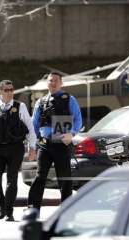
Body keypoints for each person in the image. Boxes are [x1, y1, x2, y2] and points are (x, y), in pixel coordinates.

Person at [0, 80, 37, 221]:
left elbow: (30, 129)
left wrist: (32, 147)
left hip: (15, 148)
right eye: (6, 90)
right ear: (0, 91)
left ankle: (9, 212)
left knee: (12, 180)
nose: (9, 92)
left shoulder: (20, 106)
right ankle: (2, 206)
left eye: (11, 90)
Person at [28, 72, 82, 211]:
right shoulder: (40, 102)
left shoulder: (70, 99)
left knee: (64, 179)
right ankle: (33, 209)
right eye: (51, 80)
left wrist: (72, 133)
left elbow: (78, 120)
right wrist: (32, 145)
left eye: (56, 80)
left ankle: (66, 210)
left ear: (61, 83)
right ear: (47, 83)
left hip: (62, 144)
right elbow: (33, 125)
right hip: (45, 144)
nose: (53, 83)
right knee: (40, 177)